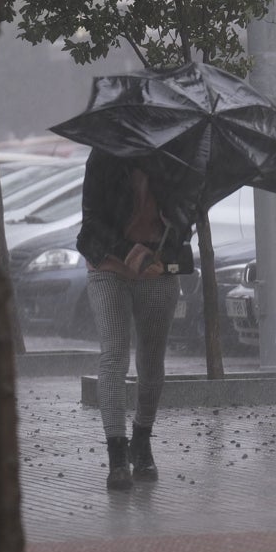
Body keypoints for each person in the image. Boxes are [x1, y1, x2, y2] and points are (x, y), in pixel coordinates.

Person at [76, 148, 194, 491]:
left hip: (157, 270)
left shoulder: (175, 158)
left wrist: (181, 227)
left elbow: (182, 218)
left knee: (152, 361)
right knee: (113, 356)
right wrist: (129, 252)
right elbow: (92, 223)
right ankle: (117, 456)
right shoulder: (105, 155)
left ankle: (141, 441)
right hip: (109, 266)